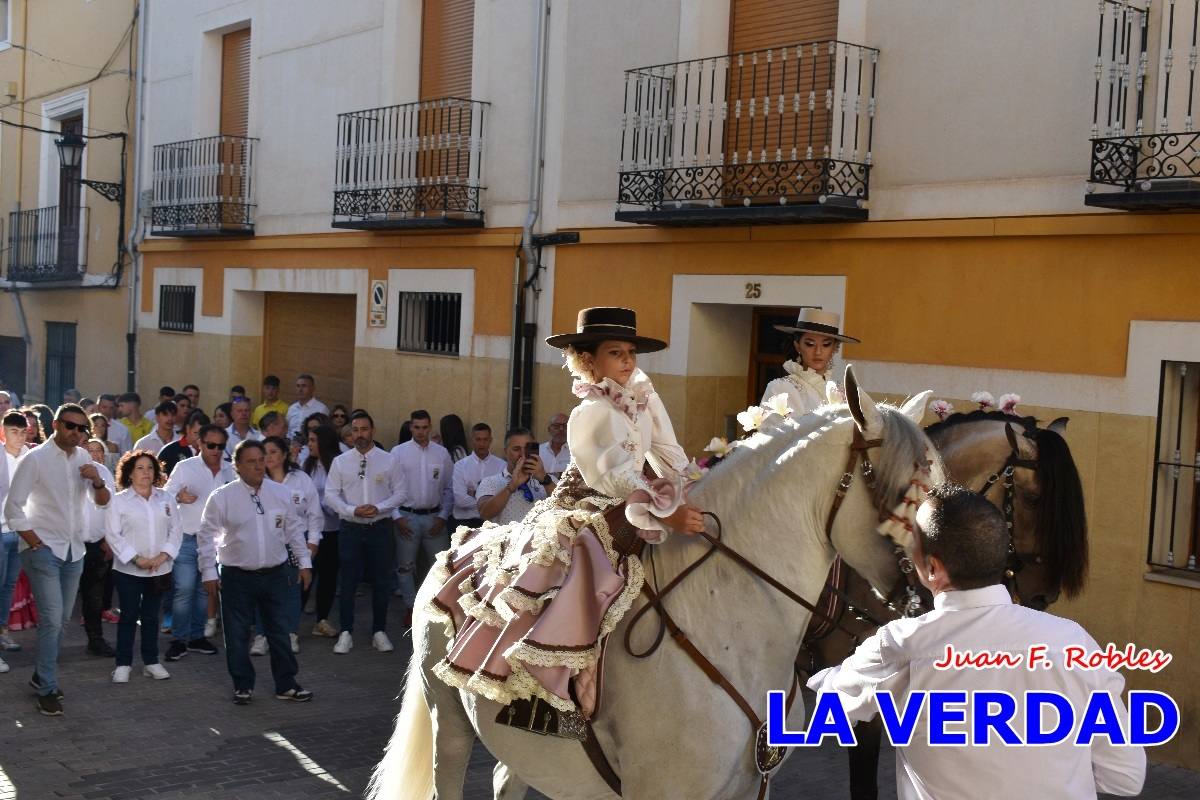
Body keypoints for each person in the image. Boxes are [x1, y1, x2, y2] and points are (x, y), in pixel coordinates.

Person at [428, 307, 703, 729]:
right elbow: (613, 476)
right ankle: (544, 698)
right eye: (616, 353)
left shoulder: (645, 398)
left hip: (635, 505)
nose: (628, 360)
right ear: (589, 361)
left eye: (631, 351)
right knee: (576, 569)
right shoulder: (589, 412)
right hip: (587, 505)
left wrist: (690, 488)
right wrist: (668, 509)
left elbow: (668, 453)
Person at [808, 482, 1146, 798]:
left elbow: (830, 706)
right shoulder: (1074, 643)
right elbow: (1125, 777)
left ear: (933, 568)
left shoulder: (900, 646)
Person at [3, 403, 112, 715]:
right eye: (70, 426)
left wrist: (98, 481)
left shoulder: (84, 457)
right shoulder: (34, 459)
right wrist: (35, 543)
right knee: (52, 619)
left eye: (82, 429)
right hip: (43, 551)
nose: (76, 433)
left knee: (61, 620)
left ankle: (41, 673)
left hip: (74, 550)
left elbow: (103, 503)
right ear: (55, 425)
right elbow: (14, 508)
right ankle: (48, 686)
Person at [199, 440, 313, 705]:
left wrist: (305, 563)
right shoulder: (222, 497)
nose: (258, 466)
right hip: (237, 576)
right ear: (237, 466)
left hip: (275, 574)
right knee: (237, 635)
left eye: (261, 460)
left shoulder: (281, 493)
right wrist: (208, 573)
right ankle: (243, 685)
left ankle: (286, 684)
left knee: (280, 633)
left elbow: (294, 530)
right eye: (251, 461)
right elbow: (206, 537)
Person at [325, 411, 406, 655]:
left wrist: (378, 508)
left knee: (381, 581)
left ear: (372, 431)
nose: (360, 434)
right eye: (356, 430)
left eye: (364, 429)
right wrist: (351, 510)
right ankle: (346, 631)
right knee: (348, 581)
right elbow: (330, 494)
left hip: (379, 528)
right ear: (351, 433)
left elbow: (401, 493)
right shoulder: (341, 462)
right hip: (351, 528)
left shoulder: (388, 460)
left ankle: (379, 631)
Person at [105, 451, 181, 683]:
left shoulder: (166, 498)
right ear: (129, 473)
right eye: (140, 468)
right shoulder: (118, 501)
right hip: (128, 570)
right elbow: (113, 534)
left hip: (159, 569)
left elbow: (176, 530)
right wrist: (137, 559)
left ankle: (151, 661)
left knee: (151, 617)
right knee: (128, 615)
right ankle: (123, 664)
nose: (146, 472)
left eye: (150, 468)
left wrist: (162, 556)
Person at [162, 424, 234, 662]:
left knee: (206, 590)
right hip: (186, 537)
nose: (215, 450)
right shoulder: (185, 467)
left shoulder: (229, 471)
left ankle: (196, 637)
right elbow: (164, 497)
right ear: (200, 444)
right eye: (211, 445)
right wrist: (178, 497)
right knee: (184, 588)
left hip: (215, 541)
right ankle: (179, 639)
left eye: (220, 446)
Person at [256, 436, 323, 656]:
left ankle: (290, 633)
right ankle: (262, 635)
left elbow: (314, 513)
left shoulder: (301, 479)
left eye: (273, 452)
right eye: (264, 452)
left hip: (296, 540)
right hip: (266, 541)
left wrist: (312, 543)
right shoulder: (256, 480)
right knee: (263, 589)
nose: (268, 457)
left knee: (293, 588)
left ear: (285, 454)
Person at [391, 410, 453, 614]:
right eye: (416, 427)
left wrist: (443, 516)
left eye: (424, 427)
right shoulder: (398, 453)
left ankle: (435, 608)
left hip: (434, 518)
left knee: (440, 566)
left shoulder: (441, 453)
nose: (421, 431)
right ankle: (411, 608)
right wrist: (397, 517)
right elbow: (389, 489)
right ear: (411, 427)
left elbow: (448, 488)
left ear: (430, 427)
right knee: (405, 567)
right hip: (406, 517)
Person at [761, 307, 860, 415]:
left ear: (835, 348)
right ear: (798, 346)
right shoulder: (781, 388)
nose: (818, 352)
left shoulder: (842, 390)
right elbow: (771, 431)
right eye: (810, 344)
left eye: (826, 344)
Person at [302, 425, 342, 638]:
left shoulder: (336, 465)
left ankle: (322, 620)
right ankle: (291, 625)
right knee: (305, 576)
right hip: (309, 531)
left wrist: (323, 503)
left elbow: (339, 497)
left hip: (331, 529)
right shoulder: (307, 465)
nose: (309, 445)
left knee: (327, 578)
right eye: (308, 440)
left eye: (313, 440)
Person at [79, 439, 117, 658]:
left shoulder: (103, 471)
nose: (89, 452)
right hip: (66, 544)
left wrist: (108, 537)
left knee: (94, 598)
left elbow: (110, 505)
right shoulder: (64, 468)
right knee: (61, 603)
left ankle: (96, 640)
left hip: (95, 543)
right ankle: (52, 645)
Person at [477, 429, 551, 526]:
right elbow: (485, 514)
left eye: (527, 449)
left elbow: (568, 506)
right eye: (517, 449)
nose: (522, 454)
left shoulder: (548, 480)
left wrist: (545, 479)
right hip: (506, 540)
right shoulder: (490, 482)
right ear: (505, 452)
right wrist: (511, 487)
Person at [0, 411, 29, 655]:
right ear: (3, 432)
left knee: (9, 584)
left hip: (20, 531)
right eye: (13, 431)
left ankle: (3, 632)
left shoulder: (30, 457)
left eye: (22, 432)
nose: (18, 437)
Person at [450, 422, 505, 530]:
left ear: (490, 440)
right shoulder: (460, 466)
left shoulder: (502, 466)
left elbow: (503, 497)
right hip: (465, 523)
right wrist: (490, 501)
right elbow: (460, 500)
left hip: (492, 524)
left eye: (485, 439)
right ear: (472, 440)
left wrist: (474, 494)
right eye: (478, 439)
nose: (482, 443)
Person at [158, 410, 208, 475]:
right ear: (188, 429)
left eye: (204, 434)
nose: (200, 438)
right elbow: (159, 476)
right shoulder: (169, 450)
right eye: (196, 433)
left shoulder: (213, 451)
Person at [286, 374, 329, 439]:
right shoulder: (291, 408)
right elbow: (287, 430)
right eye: (298, 386)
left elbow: (324, 433)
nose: (300, 389)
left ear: (313, 388)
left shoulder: (321, 409)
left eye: (304, 386)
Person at [538, 413, 571, 481]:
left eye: (565, 426)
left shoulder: (576, 453)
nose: (561, 429)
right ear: (549, 429)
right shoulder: (539, 451)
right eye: (556, 426)